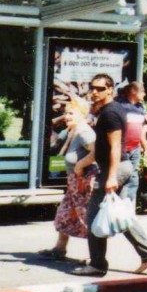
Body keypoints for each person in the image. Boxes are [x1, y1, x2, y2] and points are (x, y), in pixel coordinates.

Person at [71, 74, 147, 277]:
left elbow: (115, 148)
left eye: (100, 88)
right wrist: (85, 163)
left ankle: (97, 265)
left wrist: (111, 177)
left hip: (117, 168)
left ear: (110, 90)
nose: (94, 92)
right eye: (92, 87)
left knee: (94, 215)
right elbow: (102, 147)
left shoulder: (110, 113)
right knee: (119, 214)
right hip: (121, 167)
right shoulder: (109, 110)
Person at [39, 100, 96, 261]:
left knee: (85, 217)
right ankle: (59, 249)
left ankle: (95, 257)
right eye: (66, 112)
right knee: (65, 213)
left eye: (71, 113)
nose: (66, 116)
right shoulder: (74, 131)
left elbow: (97, 151)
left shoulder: (85, 132)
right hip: (75, 182)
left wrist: (81, 165)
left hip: (84, 182)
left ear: (82, 114)